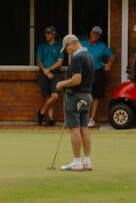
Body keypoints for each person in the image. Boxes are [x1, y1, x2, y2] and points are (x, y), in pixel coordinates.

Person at [55, 33, 95, 170]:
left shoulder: (78, 58)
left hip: (76, 97)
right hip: (87, 96)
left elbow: (76, 79)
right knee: (84, 128)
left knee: (74, 129)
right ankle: (87, 161)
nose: (67, 52)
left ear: (71, 44)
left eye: (66, 49)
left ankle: (77, 161)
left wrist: (62, 84)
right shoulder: (89, 56)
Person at [84, 26, 114, 127]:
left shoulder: (102, 46)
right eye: (94, 33)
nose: (95, 36)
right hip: (85, 73)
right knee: (86, 95)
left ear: (99, 36)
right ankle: (84, 118)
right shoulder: (82, 44)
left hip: (98, 72)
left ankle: (92, 119)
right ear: (90, 33)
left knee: (96, 96)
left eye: (97, 34)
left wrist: (109, 64)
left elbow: (112, 55)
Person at [35, 26, 64, 126]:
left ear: (53, 35)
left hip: (55, 73)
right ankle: (51, 119)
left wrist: (49, 70)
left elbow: (60, 62)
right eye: (45, 33)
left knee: (55, 96)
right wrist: (45, 71)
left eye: (48, 33)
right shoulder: (42, 46)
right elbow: (38, 60)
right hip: (44, 73)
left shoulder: (59, 46)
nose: (46, 35)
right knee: (48, 96)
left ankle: (41, 112)